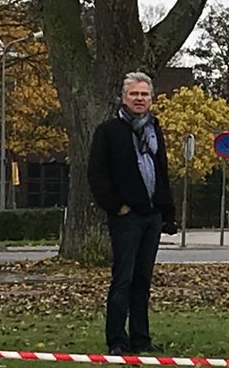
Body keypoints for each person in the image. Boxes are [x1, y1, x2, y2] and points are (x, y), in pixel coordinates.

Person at [88, 72, 178, 356]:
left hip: (152, 216)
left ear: (151, 98)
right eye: (134, 94)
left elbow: (161, 171)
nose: (139, 99)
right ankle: (117, 339)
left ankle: (141, 338)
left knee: (143, 280)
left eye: (144, 94)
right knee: (123, 279)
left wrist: (167, 211)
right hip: (127, 217)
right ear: (124, 98)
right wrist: (117, 206)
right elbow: (97, 175)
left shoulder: (154, 128)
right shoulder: (108, 131)